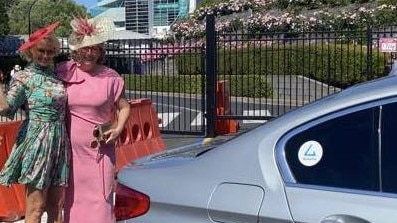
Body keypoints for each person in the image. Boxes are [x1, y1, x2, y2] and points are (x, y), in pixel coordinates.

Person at [56, 17, 130, 223]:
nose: (89, 53)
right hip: (70, 152)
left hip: (100, 150)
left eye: (95, 49)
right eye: (85, 48)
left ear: (100, 52)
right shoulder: (64, 71)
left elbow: (124, 107)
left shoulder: (111, 77)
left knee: (101, 198)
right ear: (77, 48)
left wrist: (118, 128)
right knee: (72, 200)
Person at [0, 21, 70, 223]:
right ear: (31, 51)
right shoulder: (24, 77)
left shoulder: (56, 76)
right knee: (36, 208)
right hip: (37, 143)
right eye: (41, 51)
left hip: (59, 142)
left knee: (56, 208)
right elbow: (7, 108)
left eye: (50, 51)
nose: (46, 55)